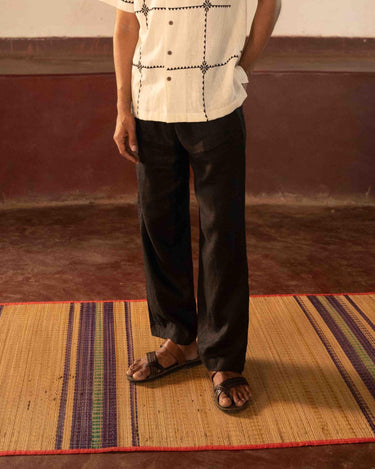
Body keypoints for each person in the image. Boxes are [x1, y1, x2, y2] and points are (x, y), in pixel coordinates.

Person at [98, 0, 281, 412]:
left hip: (216, 105)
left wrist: (240, 71)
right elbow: (126, 25)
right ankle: (180, 339)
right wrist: (122, 106)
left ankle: (224, 358)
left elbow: (270, 4)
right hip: (150, 107)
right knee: (160, 224)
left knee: (223, 232)